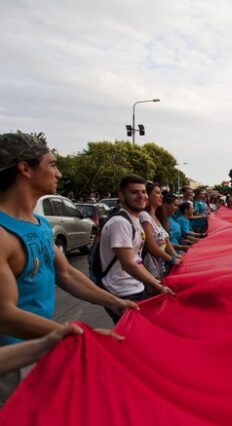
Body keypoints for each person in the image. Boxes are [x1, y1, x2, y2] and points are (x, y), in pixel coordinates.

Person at [0, 133, 139, 403]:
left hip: (41, 349)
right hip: (13, 364)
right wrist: (74, 334)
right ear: (25, 169)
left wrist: (116, 302)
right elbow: (5, 314)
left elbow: (66, 274)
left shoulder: (38, 223)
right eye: (52, 164)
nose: (59, 173)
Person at [99, 175, 174, 323]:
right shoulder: (120, 223)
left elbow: (137, 260)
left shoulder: (135, 220)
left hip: (136, 286)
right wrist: (157, 286)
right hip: (122, 291)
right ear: (121, 196)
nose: (141, 196)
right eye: (134, 192)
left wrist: (154, 282)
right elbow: (129, 264)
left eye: (143, 192)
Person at [140, 182, 181, 280]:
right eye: (158, 193)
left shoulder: (156, 217)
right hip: (151, 267)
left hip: (160, 265)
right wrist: (172, 259)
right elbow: (152, 247)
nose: (161, 196)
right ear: (148, 195)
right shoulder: (145, 216)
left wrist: (176, 255)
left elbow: (165, 241)